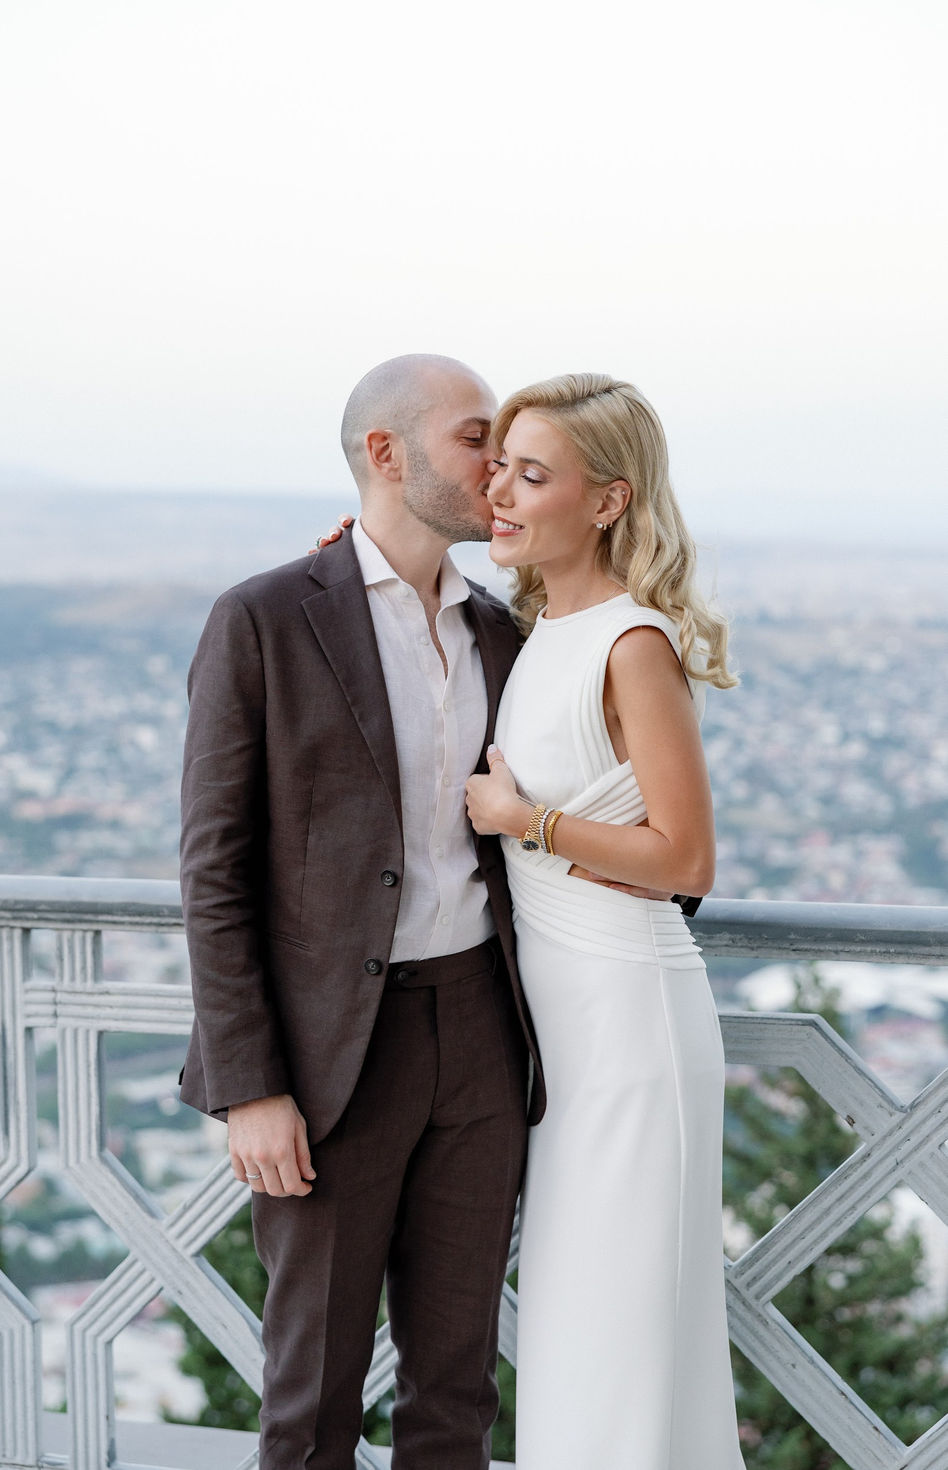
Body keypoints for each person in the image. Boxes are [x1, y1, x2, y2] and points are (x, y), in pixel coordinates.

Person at [178, 353, 545, 1470]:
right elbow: (215, 867)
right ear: (386, 454)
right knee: (312, 1403)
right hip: (332, 1062)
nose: (497, 467)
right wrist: (251, 1087)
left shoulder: (499, 632)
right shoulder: (264, 620)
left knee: (455, 1396)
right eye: (474, 438)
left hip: (481, 1038)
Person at [464, 373, 745, 1469]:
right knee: (580, 1341)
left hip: (631, 1032)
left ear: (607, 501)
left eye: (531, 475)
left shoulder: (631, 644)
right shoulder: (536, 630)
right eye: (497, 467)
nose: (499, 492)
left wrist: (522, 819)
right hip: (567, 1046)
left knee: (619, 1345)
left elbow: (685, 859)